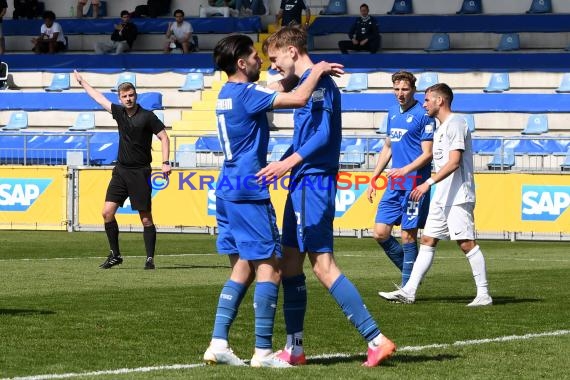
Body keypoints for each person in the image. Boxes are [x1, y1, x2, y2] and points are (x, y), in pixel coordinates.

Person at [256, 26, 396, 367]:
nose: (274, 66)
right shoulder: (309, 83)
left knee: (322, 264)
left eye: (275, 59)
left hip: (313, 184)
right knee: (290, 263)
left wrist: (286, 163)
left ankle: (375, 338)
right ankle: (295, 348)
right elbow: (307, 135)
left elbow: (321, 136)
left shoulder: (320, 84)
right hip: (303, 182)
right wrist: (287, 163)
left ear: (291, 51)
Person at [202, 33, 343, 368]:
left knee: (243, 267)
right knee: (271, 267)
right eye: (254, 56)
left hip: (227, 185)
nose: (261, 62)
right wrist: (318, 70)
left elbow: (278, 88)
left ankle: (218, 342)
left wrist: (295, 74)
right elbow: (296, 99)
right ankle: (263, 352)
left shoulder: (226, 93)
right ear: (240, 63)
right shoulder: (249, 93)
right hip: (249, 188)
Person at [379, 83, 493, 307]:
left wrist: (426, 184)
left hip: (458, 195)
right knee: (427, 240)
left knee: (466, 243)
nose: (424, 104)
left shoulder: (456, 123)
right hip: (442, 196)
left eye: (427, 100)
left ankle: (484, 294)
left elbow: (454, 163)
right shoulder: (440, 128)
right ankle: (409, 291)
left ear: (440, 101)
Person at [73, 70, 171, 270]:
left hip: (140, 172)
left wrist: (166, 161)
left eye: (131, 95)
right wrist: (83, 82)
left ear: (136, 96)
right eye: (124, 96)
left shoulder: (148, 116)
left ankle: (150, 259)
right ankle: (115, 255)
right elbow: (98, 98)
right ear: (120, 98)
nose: (128, 99)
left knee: (145, 218)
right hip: (121, 171)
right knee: (107, 212)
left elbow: (164, 137)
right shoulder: (119, 113)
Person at [366, 71, 434, 288]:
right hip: (395, 184)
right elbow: (388, 146)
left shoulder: (423, 115)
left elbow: (427, 153)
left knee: (407, 236)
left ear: (413, 89)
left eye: (404, 89)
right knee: (380, 232)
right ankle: (414, 275)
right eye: (396, 89)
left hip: (414, 184)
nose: (400, 94)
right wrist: (374, 177)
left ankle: (407, 288)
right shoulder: (393, 111)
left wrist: (404, 170)